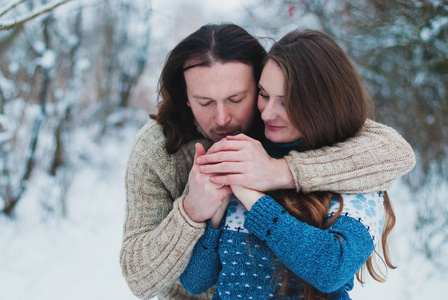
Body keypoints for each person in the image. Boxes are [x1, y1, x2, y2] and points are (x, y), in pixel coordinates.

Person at [120, 24, 415, 300]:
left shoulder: (285, 128)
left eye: (237, 98)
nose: (222, 119)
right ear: (186, 97)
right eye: (205, 102)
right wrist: (192, 211)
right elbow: (143, 278)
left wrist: (278, 172)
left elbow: (395, 152)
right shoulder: (156, 148)